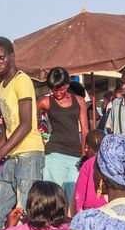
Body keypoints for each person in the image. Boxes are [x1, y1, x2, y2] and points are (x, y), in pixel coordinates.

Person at [0, 37, 46, 230]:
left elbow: (25, 125)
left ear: (12, 57)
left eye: (2, 58)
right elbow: (6, 129)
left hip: (29, 156)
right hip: (11, 158)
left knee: (25, 217)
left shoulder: (22, 81)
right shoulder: (1, 87)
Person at [37, 67, 89, 200]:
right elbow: (27, 115)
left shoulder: (79, 101)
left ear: (67, 85)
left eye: (61, 89)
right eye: (54, 89)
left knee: (74, 197)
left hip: (76, 155)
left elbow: (85, 130)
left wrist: (84, 154)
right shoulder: (46, 101)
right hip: (55, 153)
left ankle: (70, 221)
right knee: (54, 196)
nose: (58, 93)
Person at [73, 129, 107, 213]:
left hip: (90, 211)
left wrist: (79, 214)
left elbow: (79, 193)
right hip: (108, 207)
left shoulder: (87, 164)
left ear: (87, 147)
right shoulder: (109, 162)